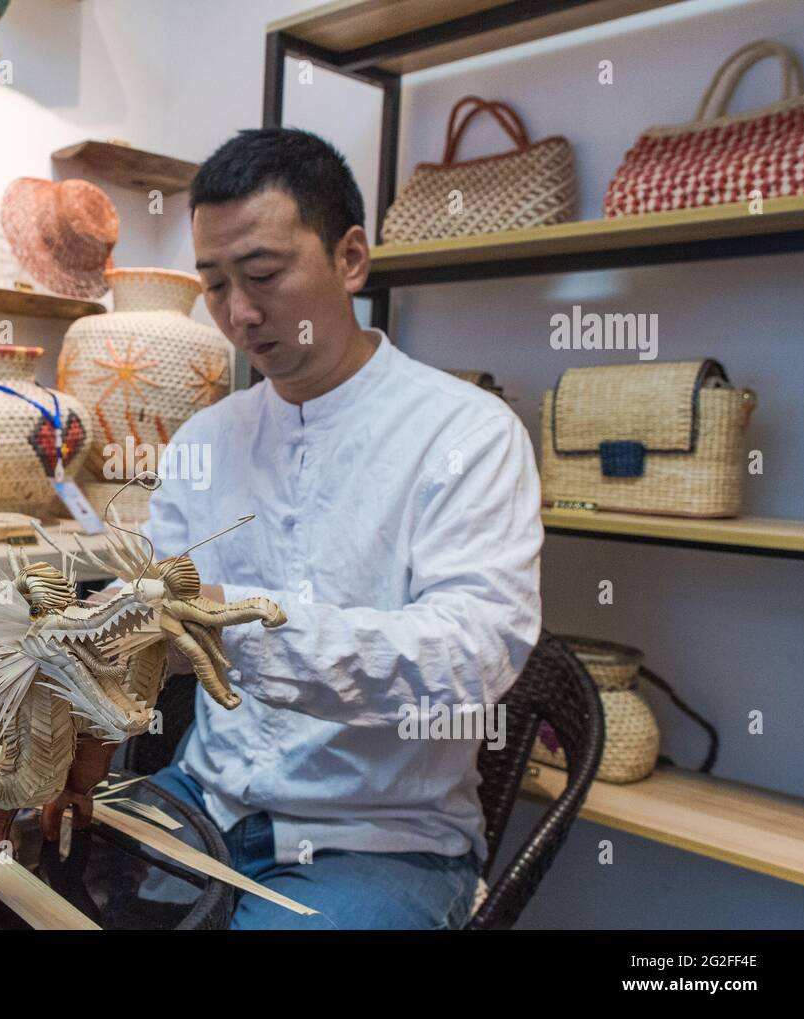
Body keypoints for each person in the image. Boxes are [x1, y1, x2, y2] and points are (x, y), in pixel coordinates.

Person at [90, 127, 543, 930]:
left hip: (377, 835)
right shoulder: (204, 441)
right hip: (205, 798)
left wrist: (244, 626)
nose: (240, 312)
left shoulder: (467, 434)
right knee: (11, 879)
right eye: (215, 283)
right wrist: (95, 632)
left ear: (352, 258)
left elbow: (472, 656)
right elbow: (158, 628)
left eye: (263, 274)